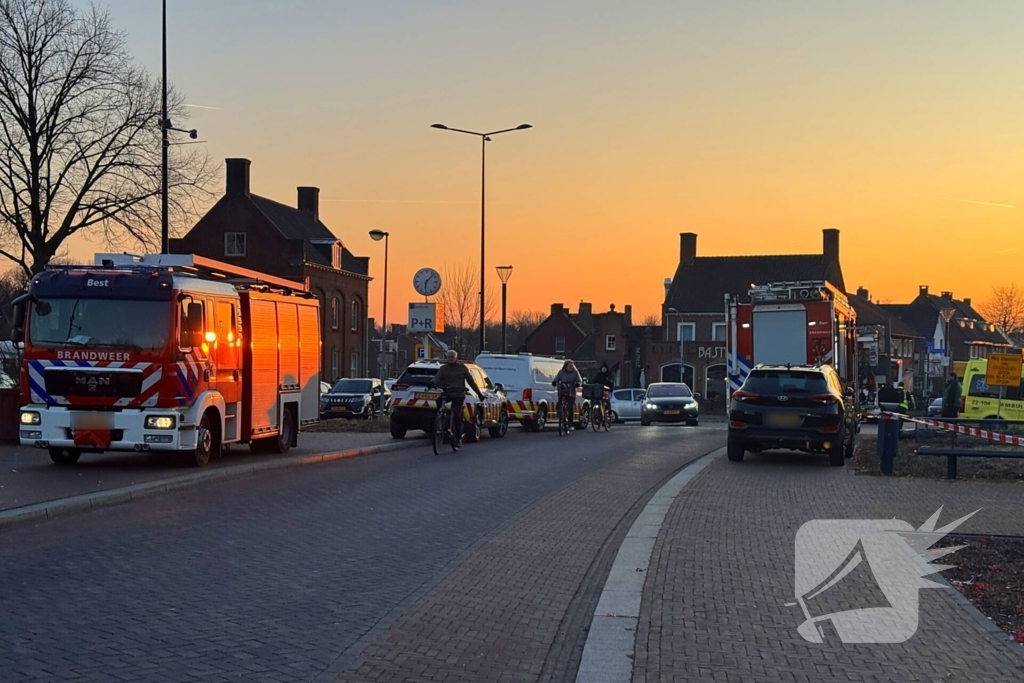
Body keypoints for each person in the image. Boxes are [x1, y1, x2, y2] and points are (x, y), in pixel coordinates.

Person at [432, 350, 484, 446]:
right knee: (438, 401)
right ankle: (441, 419)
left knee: (456, 415)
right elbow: (437, 377)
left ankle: (458, 436)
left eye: (452, 357)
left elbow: (471, 381)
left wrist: (479, 394)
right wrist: (432, 382)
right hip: (447, 392)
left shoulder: (462, 368)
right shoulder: (443, 368)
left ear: (456, 358)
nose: (450, 359)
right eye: (448, 357)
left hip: (458, 394)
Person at [552, 360, 583, 433]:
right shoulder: (561, 372)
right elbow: (557, 378)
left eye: (572, 366)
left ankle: (570, 424)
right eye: (570, 366)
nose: (571, 367)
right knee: (560, 403)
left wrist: (578, 384)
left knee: (570, 407)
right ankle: (561, 416)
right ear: (565, 366)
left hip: (571, 391)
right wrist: (554, 382)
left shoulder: (575, 372)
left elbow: (579, 380)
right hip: (563, 390)